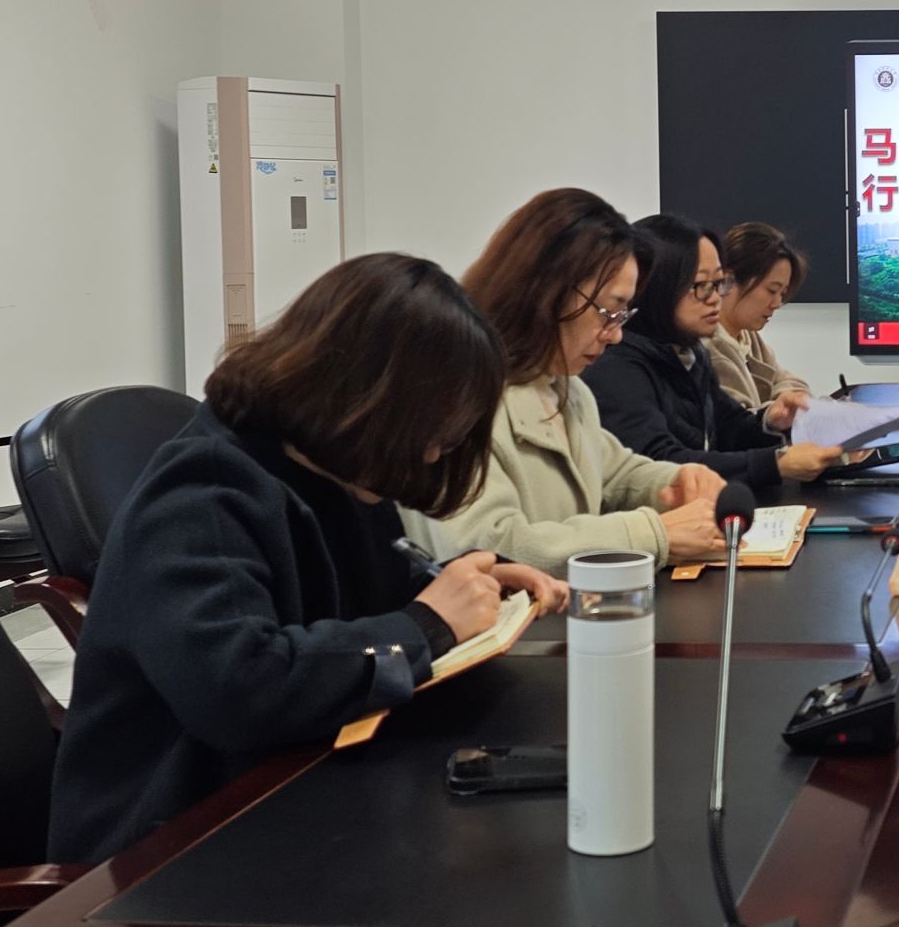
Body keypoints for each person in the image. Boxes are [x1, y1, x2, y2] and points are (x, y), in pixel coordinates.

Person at [49, 255, 569, 865]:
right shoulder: (203, 493)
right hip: (169, 843)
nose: (432, 455)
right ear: (366, 398)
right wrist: (428, 624)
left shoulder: (330, 469)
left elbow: (381, 588)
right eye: (431, 432)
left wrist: (470, 581)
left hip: (282, 785)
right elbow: (240, 689)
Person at [405, 189, 729, 575]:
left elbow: (615, 472)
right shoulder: (462, 398)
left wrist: (677, 479)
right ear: (546, 292)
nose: (616, 335)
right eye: (608, 312)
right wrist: (652, 533)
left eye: (623, 315)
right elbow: (488, 547)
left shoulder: (565, 386)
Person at [583, 213, 844, 488]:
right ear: (658, 285)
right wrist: (776, 464)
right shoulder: (617, 365)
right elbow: (660, 463)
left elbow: (730, 426)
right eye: (700, 286)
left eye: (718, 284)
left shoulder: (689, 352)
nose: (715, 298)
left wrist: (772, 421)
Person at [713, 221, 814, 417]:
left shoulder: (748, 338)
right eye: (771, 290)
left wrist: (789, 400)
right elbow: (736, 422)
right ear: (729, 280)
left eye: (782, 293)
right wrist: (775, 410)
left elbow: (790, 383)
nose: (777, 303)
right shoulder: (708, 346)